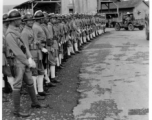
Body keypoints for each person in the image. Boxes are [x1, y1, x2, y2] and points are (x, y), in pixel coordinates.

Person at [5, 9, 48, 117]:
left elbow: (24, 46)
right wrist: (28, 61)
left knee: (30, 82)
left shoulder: (17, 30)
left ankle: (35, 103)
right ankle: (16, 110)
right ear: (13, 20)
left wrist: (30, 58)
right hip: (18, 62)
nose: (20, 20)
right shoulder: (10, 34)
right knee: (17, 85)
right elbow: (17, 52)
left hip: (24, 61)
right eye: (18, 19)